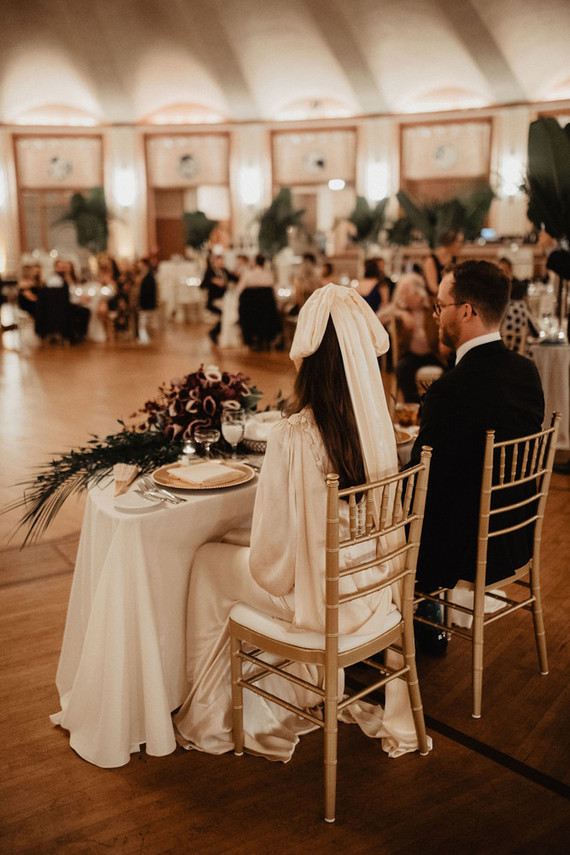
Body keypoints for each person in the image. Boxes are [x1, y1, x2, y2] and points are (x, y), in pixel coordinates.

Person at [174, 284, 430, 761]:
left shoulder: (295, 433)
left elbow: (274, 560)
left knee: (208, 560)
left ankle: (213, 711)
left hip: (325, 607)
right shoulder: (375, 427)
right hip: (376, 594)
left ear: (312, 356)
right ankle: (283, 688)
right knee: (231, 553)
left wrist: (233, 538)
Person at [410, 260, 545, 600]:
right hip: (516, 539)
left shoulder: (451, 389)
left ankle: (393, 632)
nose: (437, 315)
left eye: (441, 306)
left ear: (466, 311)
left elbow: (418, 483)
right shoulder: (527, 372)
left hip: (464, 553)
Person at [380, 273, 445, 403]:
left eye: (405, 294)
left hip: (434, 353)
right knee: (402, 369)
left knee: (449, 370)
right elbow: (378, 318)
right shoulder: (402, 308)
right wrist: (400, 313)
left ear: (418, 294)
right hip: (410, 354)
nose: (402, 298)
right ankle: (414, 407)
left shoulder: (434, 305)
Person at [237, 253, 282, 350]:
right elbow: (273, 292)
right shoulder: (268, 275)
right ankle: (266, 338)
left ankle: (252, 339)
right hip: (265, 309)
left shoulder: (248, 275)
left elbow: (239, 289)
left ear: (255, 262)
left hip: (251, 309)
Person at [201, 252, 237, 344]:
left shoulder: (225, 271)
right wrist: (213, 281)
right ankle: (214, 332)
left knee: (229, 313)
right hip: (213, 301)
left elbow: (234, 278)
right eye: (219, 261)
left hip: (225, 299)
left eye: (222, 261)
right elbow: (202, 285)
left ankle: (224, 335)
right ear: (214, 262)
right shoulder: (209, 272)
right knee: (225, 315)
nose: (221, 263)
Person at [422, 228, 464, 298]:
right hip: (434, 300)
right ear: (451, 242)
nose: (461, 246)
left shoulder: (455, 260)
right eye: (459, 242)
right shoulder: (431, 260)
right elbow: (433, 288)